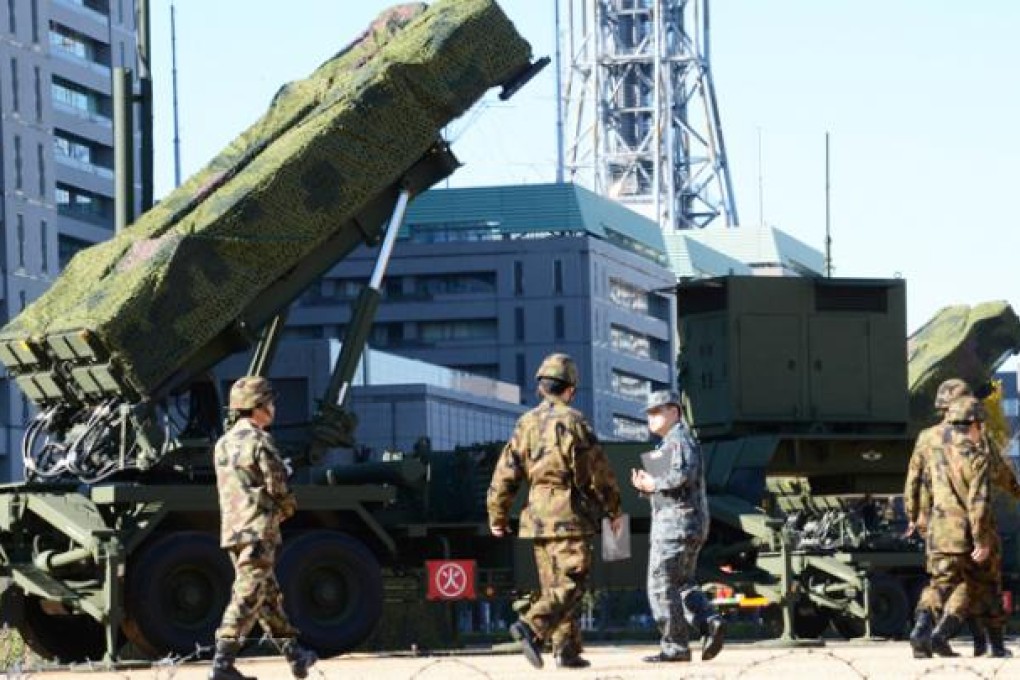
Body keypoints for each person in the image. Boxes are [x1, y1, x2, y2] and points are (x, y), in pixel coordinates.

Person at [487, 353, 624, 670]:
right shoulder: (575, 422)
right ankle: (531, 626)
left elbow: (506, 473)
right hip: (569, 513)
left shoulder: (525, 423)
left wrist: (497, 515)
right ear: (570, 388)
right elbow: (599, 473)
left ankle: (566, 650)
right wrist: (613, 509)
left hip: (537, 515)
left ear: (541, 388)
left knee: (553, 585)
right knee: (572, 581)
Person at [209, 376, 317, 680]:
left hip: (234, 530)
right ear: (259, 406)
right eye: (270, 402)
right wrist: (288, 507)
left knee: (267, 596)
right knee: (247, 594)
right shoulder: (260, 441)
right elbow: (277, 486)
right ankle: (222, 663)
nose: (273, 408)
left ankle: (295, 656)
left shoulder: (222, 444)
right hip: (259, 529)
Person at [631, 390, 725, 663]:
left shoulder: (679, 440)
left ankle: (675, 647)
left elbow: (682, 475)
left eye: (657, 411)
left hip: (677, 525)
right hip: (680, 522)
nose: (651, 417)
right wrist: (646, 486)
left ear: (674, 412)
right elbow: (672, 487)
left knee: (660, 584)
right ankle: (709, 621)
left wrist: (653, 483)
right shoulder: (670, 443)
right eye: (649, 413)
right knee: (680, 583)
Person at [908, 396, 992, 659]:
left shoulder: (935, 450)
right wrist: (981, 539)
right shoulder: (978, 455)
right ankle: (945, 634)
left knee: (939, 583)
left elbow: (917, 481)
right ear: (975, 424)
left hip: (937, 529)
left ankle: (921, 628)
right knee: (971, 584)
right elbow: (978, 502)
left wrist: (914, 515)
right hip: (963, 531)